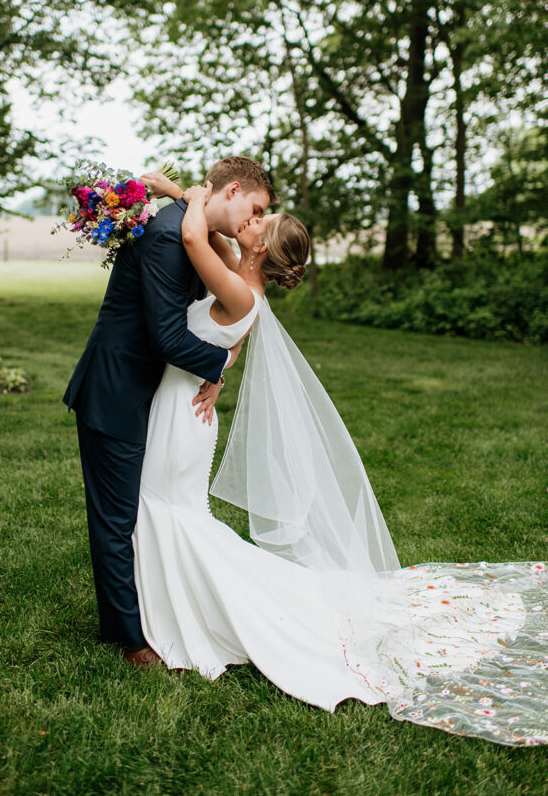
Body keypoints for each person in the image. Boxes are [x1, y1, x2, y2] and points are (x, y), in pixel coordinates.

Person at [131, 177, 547, 747]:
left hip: (183, 418)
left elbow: (193, 235)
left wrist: (188, 193)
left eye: (257, 223)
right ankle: (172, 604)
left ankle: (193, 615)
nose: (249, 222)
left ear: (257, 248)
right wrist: (179, 190)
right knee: (168, 508)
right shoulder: (240, 278)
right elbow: (215, 256)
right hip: (183, 408)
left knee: (170, 509)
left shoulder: (237, 287)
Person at [63, 156, 274, 665]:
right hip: (116, 390)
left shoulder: (192, 228)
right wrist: (218, 368)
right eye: (256, 207)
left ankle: (153, 612)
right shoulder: (166, 235)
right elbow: (166, 337)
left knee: (142, 512)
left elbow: (227, 292)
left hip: (154, 394)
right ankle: (130, 640)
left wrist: (185, 195)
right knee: (116, 519)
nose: (254, 219)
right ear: (235, 190)